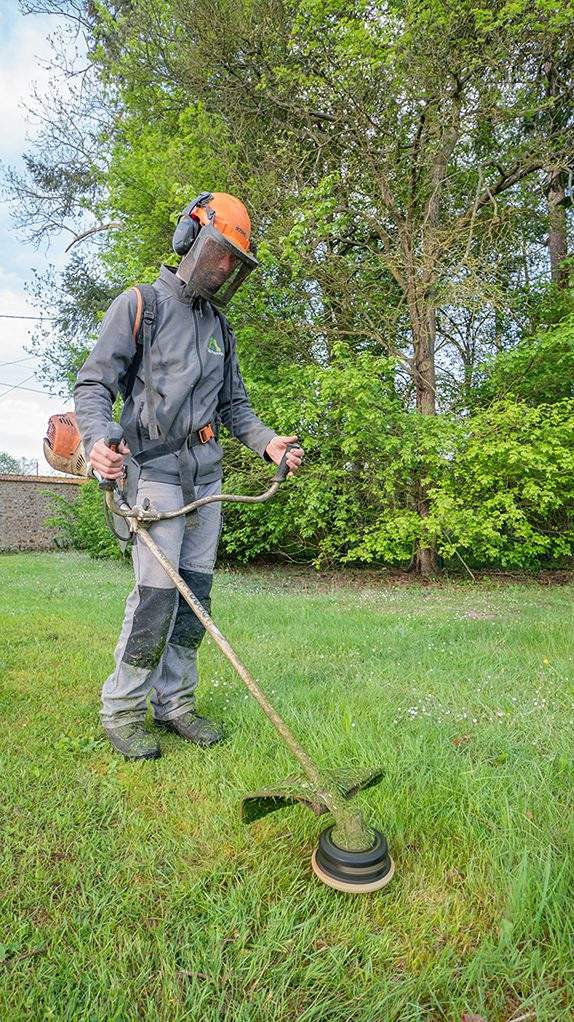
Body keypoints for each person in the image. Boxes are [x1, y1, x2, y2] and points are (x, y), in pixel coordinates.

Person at [73, 191, 303, 761]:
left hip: (208, 482)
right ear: (191, 239)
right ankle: (123, 710)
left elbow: (235, 407)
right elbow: (94, 384)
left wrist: (267, 442)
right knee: (156, 598)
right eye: (220, 253)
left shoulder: (220, 328)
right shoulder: (141, 305)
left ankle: (174, 704)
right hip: (154, 476)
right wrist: (99, 440)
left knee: (194, 598)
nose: (224, 268)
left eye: (234, 262)